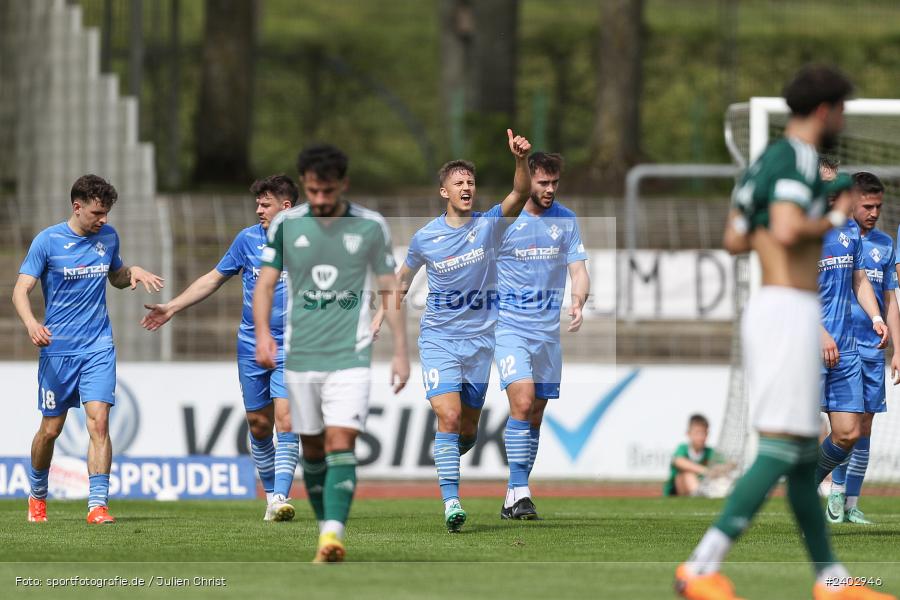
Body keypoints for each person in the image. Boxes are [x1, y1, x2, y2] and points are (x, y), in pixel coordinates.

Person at [675, 65, 894, 600]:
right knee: (779, 449)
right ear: (824, 111)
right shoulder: (797, 159)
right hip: (789, 312)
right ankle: (700, 567)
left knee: (798, 456)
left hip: (779, 306)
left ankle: (830, 579)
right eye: (841, 110)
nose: (843, 121)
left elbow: (734, 237)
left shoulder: (764, 163)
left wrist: (786, 227)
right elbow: (790, 226)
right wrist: (835, 214)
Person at [254, 144, 409, 563]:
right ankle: (327, 525)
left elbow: (389, 289)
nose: (320, 199)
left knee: (341, 440)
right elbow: (265, 284)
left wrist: (400, 350)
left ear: (344, 184)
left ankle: (332, 533)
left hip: (350, 355)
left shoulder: (370, 226)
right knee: (312, 448)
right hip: (301, 355)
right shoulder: (286, 224)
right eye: (313, 191)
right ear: (305, 186)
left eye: (328, 191)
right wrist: (264, 334)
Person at [141, 175, 300, 521]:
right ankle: (271, 496)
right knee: (259, 425)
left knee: (286, 421)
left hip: (295, 345)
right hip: (252, 344)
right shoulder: (247, 240)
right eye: (257, 203)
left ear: (286, 207)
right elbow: (214, 278)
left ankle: (279, 497)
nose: (258, 210)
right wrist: (172, 307)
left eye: (265, 204)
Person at [397, 129, 532, 533]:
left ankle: (447, 453)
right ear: (445, 192)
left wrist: (520, 160)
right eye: (459, 183)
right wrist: (378, 314)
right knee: (450, 416)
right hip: (439, 339)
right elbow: (402, 279)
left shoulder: (489, 226)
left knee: (467, 430)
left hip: (480, 344)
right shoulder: (426, 237)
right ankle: (451, 502)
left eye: (471, 182)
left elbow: (521, 193)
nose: (467, 187)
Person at [13, 174, 164, 524]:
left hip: (98, 346)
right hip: (58, 351)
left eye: (107, 212)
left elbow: (115, 276)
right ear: (77, 207)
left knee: (99, 422)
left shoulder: (108, 237)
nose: (104, 219)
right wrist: (32, 324)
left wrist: (132, 272)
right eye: (97, 213)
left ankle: (97, 505)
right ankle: (37, 495)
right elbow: (20, 291)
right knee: (51, 429)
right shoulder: (47, 241)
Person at [493, 151, 589, 519]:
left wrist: (578, 301)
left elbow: (578, 270)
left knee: (534, 414)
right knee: (522, 401)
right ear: (528, 181)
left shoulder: (566, 220)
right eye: (543, 182)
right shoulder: (506, 220)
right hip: (510, 328)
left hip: (547, 335)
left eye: (554, 183)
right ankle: (522, 493)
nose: (550, 189)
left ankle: (513, 492)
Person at [825, 171, 900, 525]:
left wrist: (897, 347)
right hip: (838, 344)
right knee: (844, 426)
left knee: (864, 427)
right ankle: (834, 493)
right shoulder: (830, 236)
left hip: (870, 347)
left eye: (878, 206)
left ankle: (850, 502)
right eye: (868, 206)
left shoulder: (884, 243)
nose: (874, 212)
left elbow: (889, 299)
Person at [664, 414, 714, 497]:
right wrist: (704, 470)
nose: (701, 437)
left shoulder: (710, 452)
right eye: (697, 432)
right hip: (676, 491)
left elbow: (724, 464)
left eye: (704, 433)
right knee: (688, 475)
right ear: (688, 433)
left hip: (702, 485)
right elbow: (678, 461)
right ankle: (698, 494)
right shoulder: (682, 448)